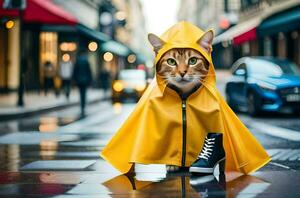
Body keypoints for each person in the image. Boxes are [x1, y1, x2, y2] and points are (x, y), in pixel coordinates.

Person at [100, 21, 270, 175]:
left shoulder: (212, 98)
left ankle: (204, 156)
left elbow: (231, 132)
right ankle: (173, 158)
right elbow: (135, 132)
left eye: (193, 61)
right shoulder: (153, 98)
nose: (182, 71)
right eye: (172, 62)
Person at [72, 50, 92, 117]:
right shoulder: (86, 61)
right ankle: (83, 106)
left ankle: (82, 106)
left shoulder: (77, 61)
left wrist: (74, 79)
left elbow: (74, 71)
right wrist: (90, 80)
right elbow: (89, 72)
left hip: (79, 80)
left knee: (81, 93)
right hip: (85, 80)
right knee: (84, 93)